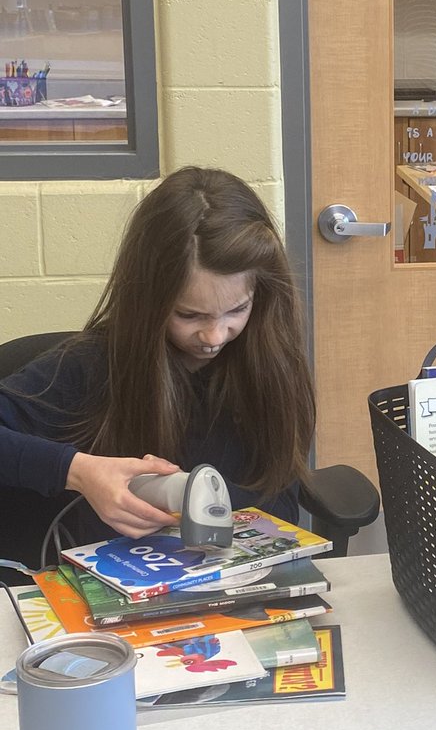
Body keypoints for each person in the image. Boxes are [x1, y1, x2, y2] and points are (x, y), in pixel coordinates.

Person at [0, 166, 316, 559]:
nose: (215, 336)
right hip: (126, 588)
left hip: (241, 585)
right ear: (149, 302)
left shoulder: (271, 365)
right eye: (190, 315)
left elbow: (281, 505)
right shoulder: (92, 366)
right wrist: (78, 471)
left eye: (237, 309)